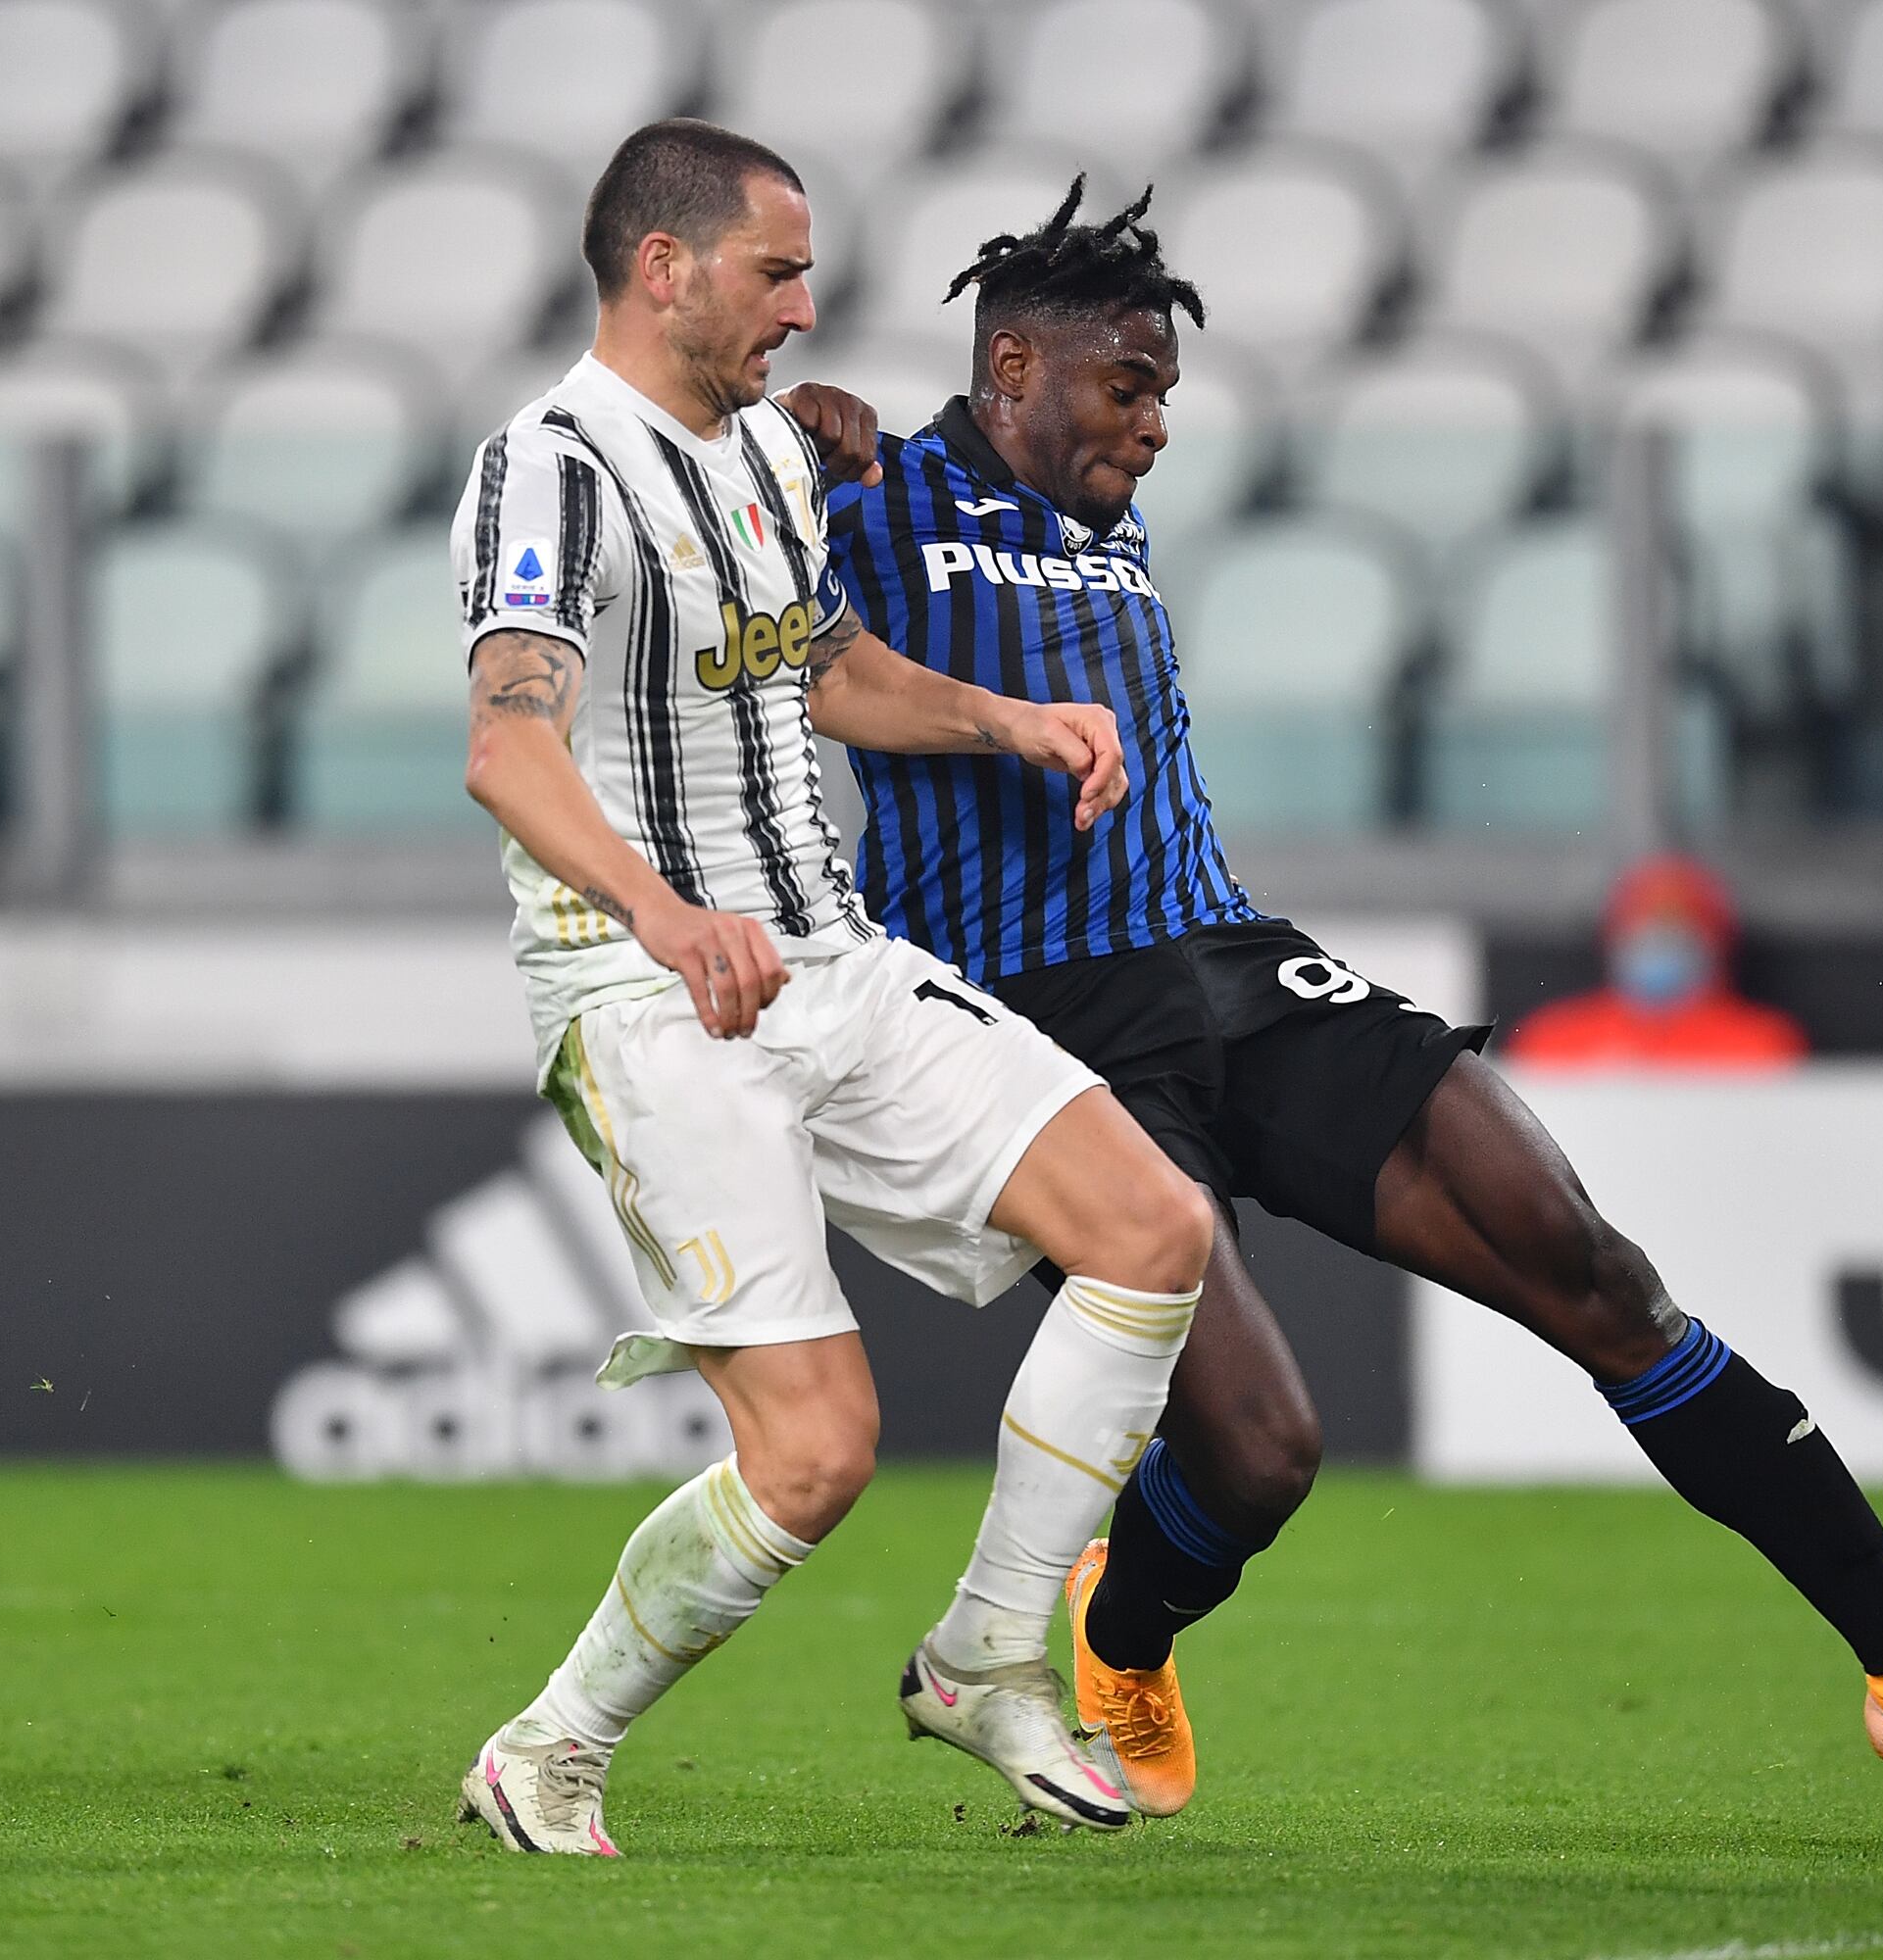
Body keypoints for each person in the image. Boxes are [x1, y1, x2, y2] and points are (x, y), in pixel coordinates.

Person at [821, 179, 1883, 1822]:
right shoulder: (868, 495)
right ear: (1012, 367)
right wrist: (779, 436)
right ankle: (1122, 1634)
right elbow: (706, 544)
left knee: (1591, 1267)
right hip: (1043, 1023)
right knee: (1262, 1452)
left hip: (1232, 960)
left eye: (1166, 392)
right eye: (1127, 386)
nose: (1156, 424)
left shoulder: (1104, 519)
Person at [448, 121, 1225, 1856]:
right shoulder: (552, 469)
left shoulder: (762, 460)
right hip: (651, 989)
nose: (805, 307)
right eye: (778, 272)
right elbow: (508, 746)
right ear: (665, 266)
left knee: (1152, 1228)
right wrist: (664, 914)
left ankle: (985, 1655)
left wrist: (1006, 719)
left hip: (829, 958)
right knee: (814, 1455)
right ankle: (549, 1746)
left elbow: (827, 671)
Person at [1504, 854, 1809, 1069]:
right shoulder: (1550, 1038)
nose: (1659, 941)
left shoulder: (1764, 1043)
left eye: (1678, 929)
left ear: (1715, 942)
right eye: (1642, 928)